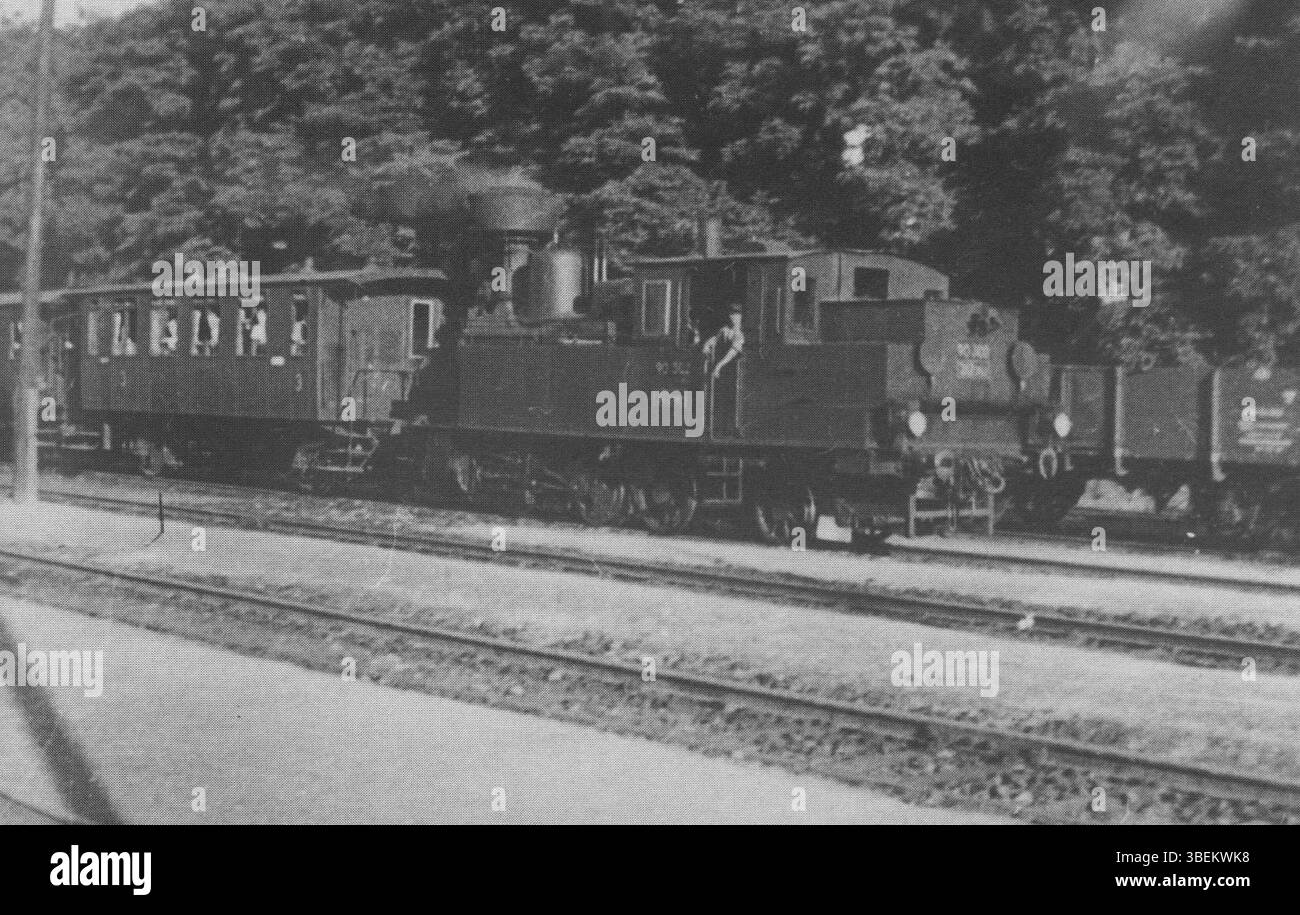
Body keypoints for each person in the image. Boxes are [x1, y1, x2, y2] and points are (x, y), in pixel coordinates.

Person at [701, 301, 744, 378]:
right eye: (731, 314)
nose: (732, 316)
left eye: (735, 314)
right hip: (721, 372)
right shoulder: (725, 330)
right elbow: (715, 339)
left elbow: (732, 352)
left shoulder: (742, 334)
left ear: (741, 316)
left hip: (736, 373)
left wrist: (719, 366)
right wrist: (706, 345)